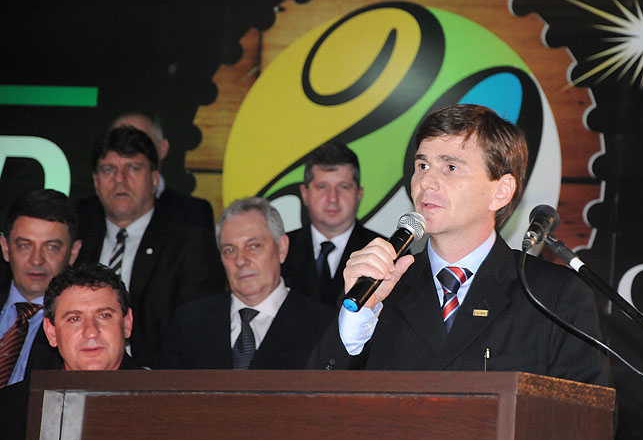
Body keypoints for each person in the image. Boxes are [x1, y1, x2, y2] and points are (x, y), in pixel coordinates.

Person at [311, 104, 612, 388]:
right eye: (422, 165)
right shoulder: (381, 288)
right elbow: (315, 399)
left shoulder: (552, 295)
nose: (426, 182)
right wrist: (359, 315)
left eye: (451, 167)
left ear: (501, 192)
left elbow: (586, 417)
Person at [76, 126, 226, 368]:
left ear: (155, 180)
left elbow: (197, 332)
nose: (120, 180)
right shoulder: (77, 240)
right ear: (96, 182)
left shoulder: (188, 244)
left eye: (133, 168)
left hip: (158, 378)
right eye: (109, 169)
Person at [161, 197, 335, 370]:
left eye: (253, 246)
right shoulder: (189, 323)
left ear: (281, 248)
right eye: (229, 250)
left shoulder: (324, 324)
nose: (240, 260)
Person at [0, 263, 139, 440]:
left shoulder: (169, 400)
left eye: (104, 315)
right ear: (51, 332)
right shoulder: (10, 409)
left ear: (127, 324)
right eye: (74, 319)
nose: (91, 332)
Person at [76, 112, 215, 232]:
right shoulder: (81, 217)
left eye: (139, 142)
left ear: (163, 148)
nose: (119, 178)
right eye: (117, 140)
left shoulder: (191, 217)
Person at [281, 143, 382, 307]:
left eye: (343, 187)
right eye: (322, 187)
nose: (333, 198)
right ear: (304, 194)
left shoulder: (385, 252)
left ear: (359, 195)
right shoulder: (280, 251)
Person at [0, 189, 81, 388]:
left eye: (51, 247)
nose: (37, 260)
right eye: (25, 245)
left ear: (73, 253)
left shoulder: (81, 329)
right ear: (5, 247)